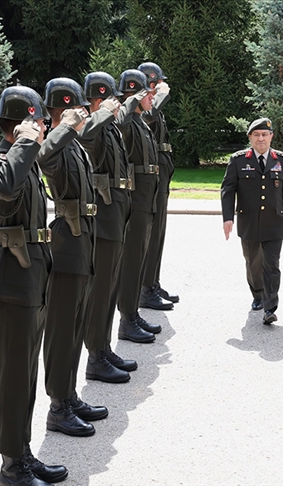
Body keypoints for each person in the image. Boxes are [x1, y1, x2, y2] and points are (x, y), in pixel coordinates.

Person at [0, 87, 66, 484]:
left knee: (26, 373)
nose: (44, 127)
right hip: (13, 278)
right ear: (21, 123)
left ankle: (23, 451)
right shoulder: (3, 161)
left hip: (33, 273)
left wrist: (29, 144)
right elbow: (3, 190)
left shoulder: (26, 159)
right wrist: (24, 142)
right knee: (13, 376)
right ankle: (11, 465)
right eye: (38, 121)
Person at [39, 77, 109, 437]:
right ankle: (57, 406)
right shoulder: (57, 143)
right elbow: (43, 155)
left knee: (77, 324)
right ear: (61, 111)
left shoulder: (74, 144)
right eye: (76, 108)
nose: (84, 112)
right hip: (67, 243)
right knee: (62, 330)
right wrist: (64, 126)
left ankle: (69, 395)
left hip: (84, 240)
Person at [79, 72, 137, 384]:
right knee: (100, 290)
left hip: (116, 213)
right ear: (97, 100)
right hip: (103, 218)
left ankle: (103, 347)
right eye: (109, 99)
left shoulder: (110, 127)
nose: (116, 104)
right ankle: (95, 356)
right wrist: (100, 113)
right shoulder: (95, 126)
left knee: (110, 286)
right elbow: (84, 136)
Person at [221, 118, 283, 324]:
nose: (261, 138)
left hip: (274, 222)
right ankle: (257, 294)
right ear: (250, 138)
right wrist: (228, 218)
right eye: (256, 135)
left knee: (272, 265)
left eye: (265, 134)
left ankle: (270, 307)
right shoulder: (238, 160)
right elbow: (228, 190)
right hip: (249, 222)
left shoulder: (282, 160)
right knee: (253, 264)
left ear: (271, 137)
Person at [115, 69, 162, 343]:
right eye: (148, 93)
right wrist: (131, 100)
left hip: (147, 197)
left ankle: (132, 313)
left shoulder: (140, 121)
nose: (152, 98)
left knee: (140, 258)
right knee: (132, 262)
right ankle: (127, 319)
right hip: (136, 199)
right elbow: (118, 124)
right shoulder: (127, 121)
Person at [138, 62, 180, 310]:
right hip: (151, 177)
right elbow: (148, 116)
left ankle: (152, 282)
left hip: (161, 173)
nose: (161, 88)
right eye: (157, 84)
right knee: (151, 234)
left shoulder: (151, 107)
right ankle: (145, 288)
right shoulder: (140, 107)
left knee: (159, 233)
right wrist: (159, 96)